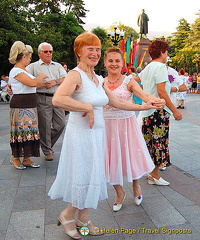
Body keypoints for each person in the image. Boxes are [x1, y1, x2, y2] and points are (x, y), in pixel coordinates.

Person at [48, 32, 164, 239]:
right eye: (89, 48)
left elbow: (117, 102)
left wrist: (147, 104)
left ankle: (83, 218)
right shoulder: (75, 75)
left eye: (97, 49)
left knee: (91, 175)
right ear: (79, 51)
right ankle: (67, 215)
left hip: (97, 135)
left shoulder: (96, 78)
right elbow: (58, 99)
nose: (94, 53)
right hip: (81, 135)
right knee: (83, 175)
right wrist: (86, 107)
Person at [103, 47, 165, 211]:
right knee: (110, 159)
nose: (114, 64)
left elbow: (144, 96)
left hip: (126, 125)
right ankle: (119, 192)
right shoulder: (100, 82)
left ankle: (136, 186)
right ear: (105, 63)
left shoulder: (128, 81)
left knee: (132, 156)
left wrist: (156, 101)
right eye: (110, 60)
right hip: (107, 127)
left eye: (117, 61)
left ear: (122, 63)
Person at [139, 40, 182, 186]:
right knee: (159, 142)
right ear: (162, 52)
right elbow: (162, 91)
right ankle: (155, 175)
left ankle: (151, 173)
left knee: (150, 143)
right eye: (167, 51)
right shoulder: (161, 67)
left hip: (147, 110)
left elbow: (136, 81)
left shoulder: (148, 67)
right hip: (158, 111)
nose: (167, 55)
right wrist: (175, 110)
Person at [8, 41, 47, 170]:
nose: (29, 60)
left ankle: (26, 157)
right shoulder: (16, 71)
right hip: (20, 105)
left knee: (29, 132)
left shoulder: (23, 71)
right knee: (20, 131)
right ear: (23, 57)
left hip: (29, 104)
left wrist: (44, 83)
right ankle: (15, 157)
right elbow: (31, 83)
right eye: (29, 58)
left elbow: (33, 85)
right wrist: (40, 77)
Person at [26, 42, 67, 161]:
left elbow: (66, 78)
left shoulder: (57, 66)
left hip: (57, 97)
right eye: (46, 51)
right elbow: (26, 80)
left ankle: (46, 144)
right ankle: (47, 150)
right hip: (42, 97)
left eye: (50, 51)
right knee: (45, 125)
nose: (49, 53)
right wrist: (40, 84)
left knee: (61, 124)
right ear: (39, 53)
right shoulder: (33, 66)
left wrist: (55, 81)